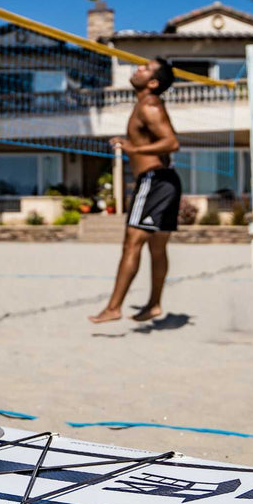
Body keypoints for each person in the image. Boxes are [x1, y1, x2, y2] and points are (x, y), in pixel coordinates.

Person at [89, 57, 180, 324]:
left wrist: (133, 148)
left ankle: (114, 307)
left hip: (154, 181)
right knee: (157, 248)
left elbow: (171, 142)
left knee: (132, 242)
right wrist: (132, 143)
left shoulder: (149, 104)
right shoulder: (144, 104)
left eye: (145, 68)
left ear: (152, 82)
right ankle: (153, 305)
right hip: (166, 181)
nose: (137, 68)